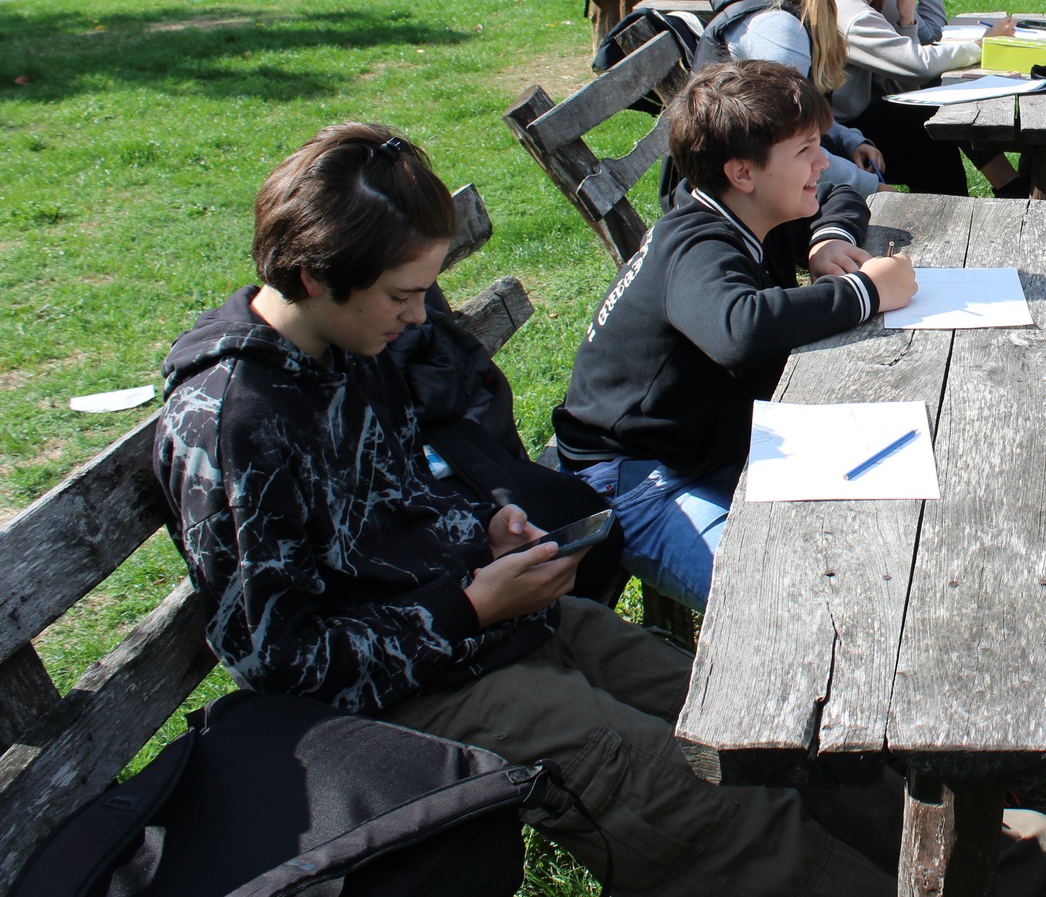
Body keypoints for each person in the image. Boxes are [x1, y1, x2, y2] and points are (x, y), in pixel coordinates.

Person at [150, 124, 901, 894]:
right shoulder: (236, 423)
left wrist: (482, 527)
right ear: (314, 277)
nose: (418, 317)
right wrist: (468, 607)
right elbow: (282, 662)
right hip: (418, 693)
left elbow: (392, 496)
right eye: (403, 295)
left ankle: (965, 859)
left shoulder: (344, 342)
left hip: (496, 626)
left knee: (758, 726)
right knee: (717, 811)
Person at [553, 61, 917, 608]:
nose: (822, 161)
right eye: (805, 151)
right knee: (778, 602)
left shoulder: (751, 206)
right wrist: (865, 292)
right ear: (743, 172)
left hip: (706, 439)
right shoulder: (697, 244)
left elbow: (840, 192)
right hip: (637, 477)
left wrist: (828, 240)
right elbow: (739, 330)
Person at [693, 0, 891, 198]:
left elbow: (798, 124)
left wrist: (848, 140)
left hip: (761, 185)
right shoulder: (779, 28)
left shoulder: (794, 2)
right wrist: (872, 188)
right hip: (737, 197)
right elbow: (787, 147)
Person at [834, 0, 1004, 195]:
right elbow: (918, 65)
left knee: (931, 126)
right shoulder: (853, 12)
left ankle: (1000, 186)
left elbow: (903, 81)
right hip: (840, 133)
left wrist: (907, 19)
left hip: (856, 123)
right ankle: (996, 188)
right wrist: (981, 46)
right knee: (930, 129)